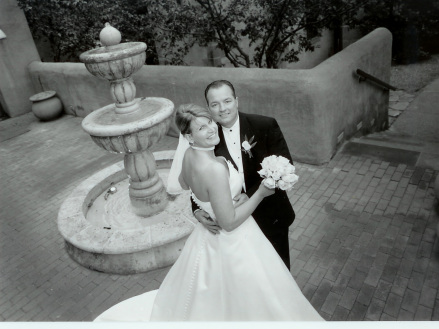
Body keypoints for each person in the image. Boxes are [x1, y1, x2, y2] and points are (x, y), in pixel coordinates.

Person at [94, 104, 324, 321]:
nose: (212, 128)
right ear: (190, 137)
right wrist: (260, 193)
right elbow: (229, 223)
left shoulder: (189, 156)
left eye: (209, 123)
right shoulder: (214, 168)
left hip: (206, 237)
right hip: (234, 243)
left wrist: (204, 206)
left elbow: (184, 184)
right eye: (202, 128)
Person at [193, 80, 295, 269]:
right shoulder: (209, 137)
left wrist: (250, 195)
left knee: (279, 271)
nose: (222, 109)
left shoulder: (264, 125)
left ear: (237, 101)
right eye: (215, 104)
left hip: (271, 215)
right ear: (208, 108)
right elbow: (197, 176)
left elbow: (285, 166)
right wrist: (197, 209)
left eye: (227, 101)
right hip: (234, 224)